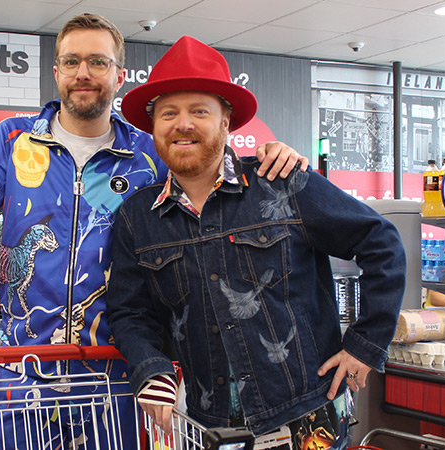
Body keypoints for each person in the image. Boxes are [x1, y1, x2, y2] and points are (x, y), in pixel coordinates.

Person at [0, 13, 308, 448]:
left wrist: (270, 160)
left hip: (123, 380)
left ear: (119, 75)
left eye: (98, 62)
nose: (83, 74)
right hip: (24, 378)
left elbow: (213, 176)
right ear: (55, 72)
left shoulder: (150, 153)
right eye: (71, 62)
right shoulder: (12, 141)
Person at [107, 36, 406, 448]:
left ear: (226, 120)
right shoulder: (136, 219)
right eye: (169, 113)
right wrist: (151, 367)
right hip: (214, 427)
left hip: (307, 417)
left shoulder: (282, 183)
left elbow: (380, 240)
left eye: (199, 111)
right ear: (154, 126)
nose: (183, 124)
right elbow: (128, 311)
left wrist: (365, 344)